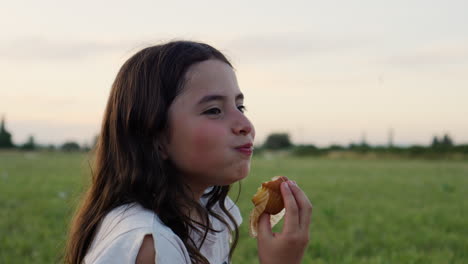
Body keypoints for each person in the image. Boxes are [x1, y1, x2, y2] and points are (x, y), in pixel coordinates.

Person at [64, 40, 312, 264]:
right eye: (214, 110)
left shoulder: (204, 215)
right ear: (156, 136)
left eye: (240, 106)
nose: (246, 125)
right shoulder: (150, 246)